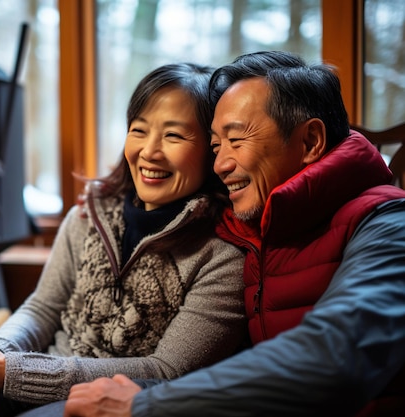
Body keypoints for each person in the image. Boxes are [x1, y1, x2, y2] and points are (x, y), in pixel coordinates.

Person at [0, 62, 247, 417]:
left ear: (211, 150)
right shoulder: (89, 213)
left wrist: (11, 372)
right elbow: (42, 307)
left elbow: (167, 370)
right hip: (22, 375)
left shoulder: (223, 253)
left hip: (107, 401)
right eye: (139, 129)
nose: (149, 151)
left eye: (174, 135)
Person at [60, 50, 405, 417]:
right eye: (215, 145)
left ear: (309, 142)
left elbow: (335, 357)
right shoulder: (248, 227)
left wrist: (145, 404)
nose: (221, 164)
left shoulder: (387, 223)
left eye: (236, 141)